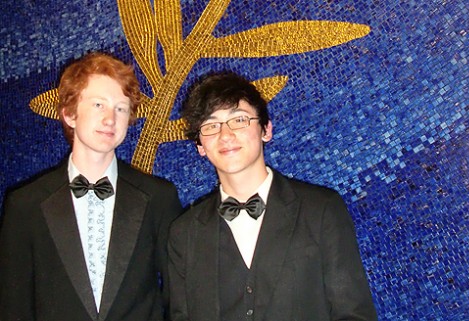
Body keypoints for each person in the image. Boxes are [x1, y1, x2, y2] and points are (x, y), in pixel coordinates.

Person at [168, 72, 377, 321]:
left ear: (266, 129)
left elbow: (354, 314)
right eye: (211, 126)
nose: (225, 135)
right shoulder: (184, 233)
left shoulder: (321, 209)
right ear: (200, 145)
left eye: (239, 120)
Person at [0, 52, 182, 321]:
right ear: (69, 114)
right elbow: (12, 308)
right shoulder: (25, 205)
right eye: (98, 104)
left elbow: (182, 298)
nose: (110, 118)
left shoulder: (158, 197)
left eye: (121, 108)